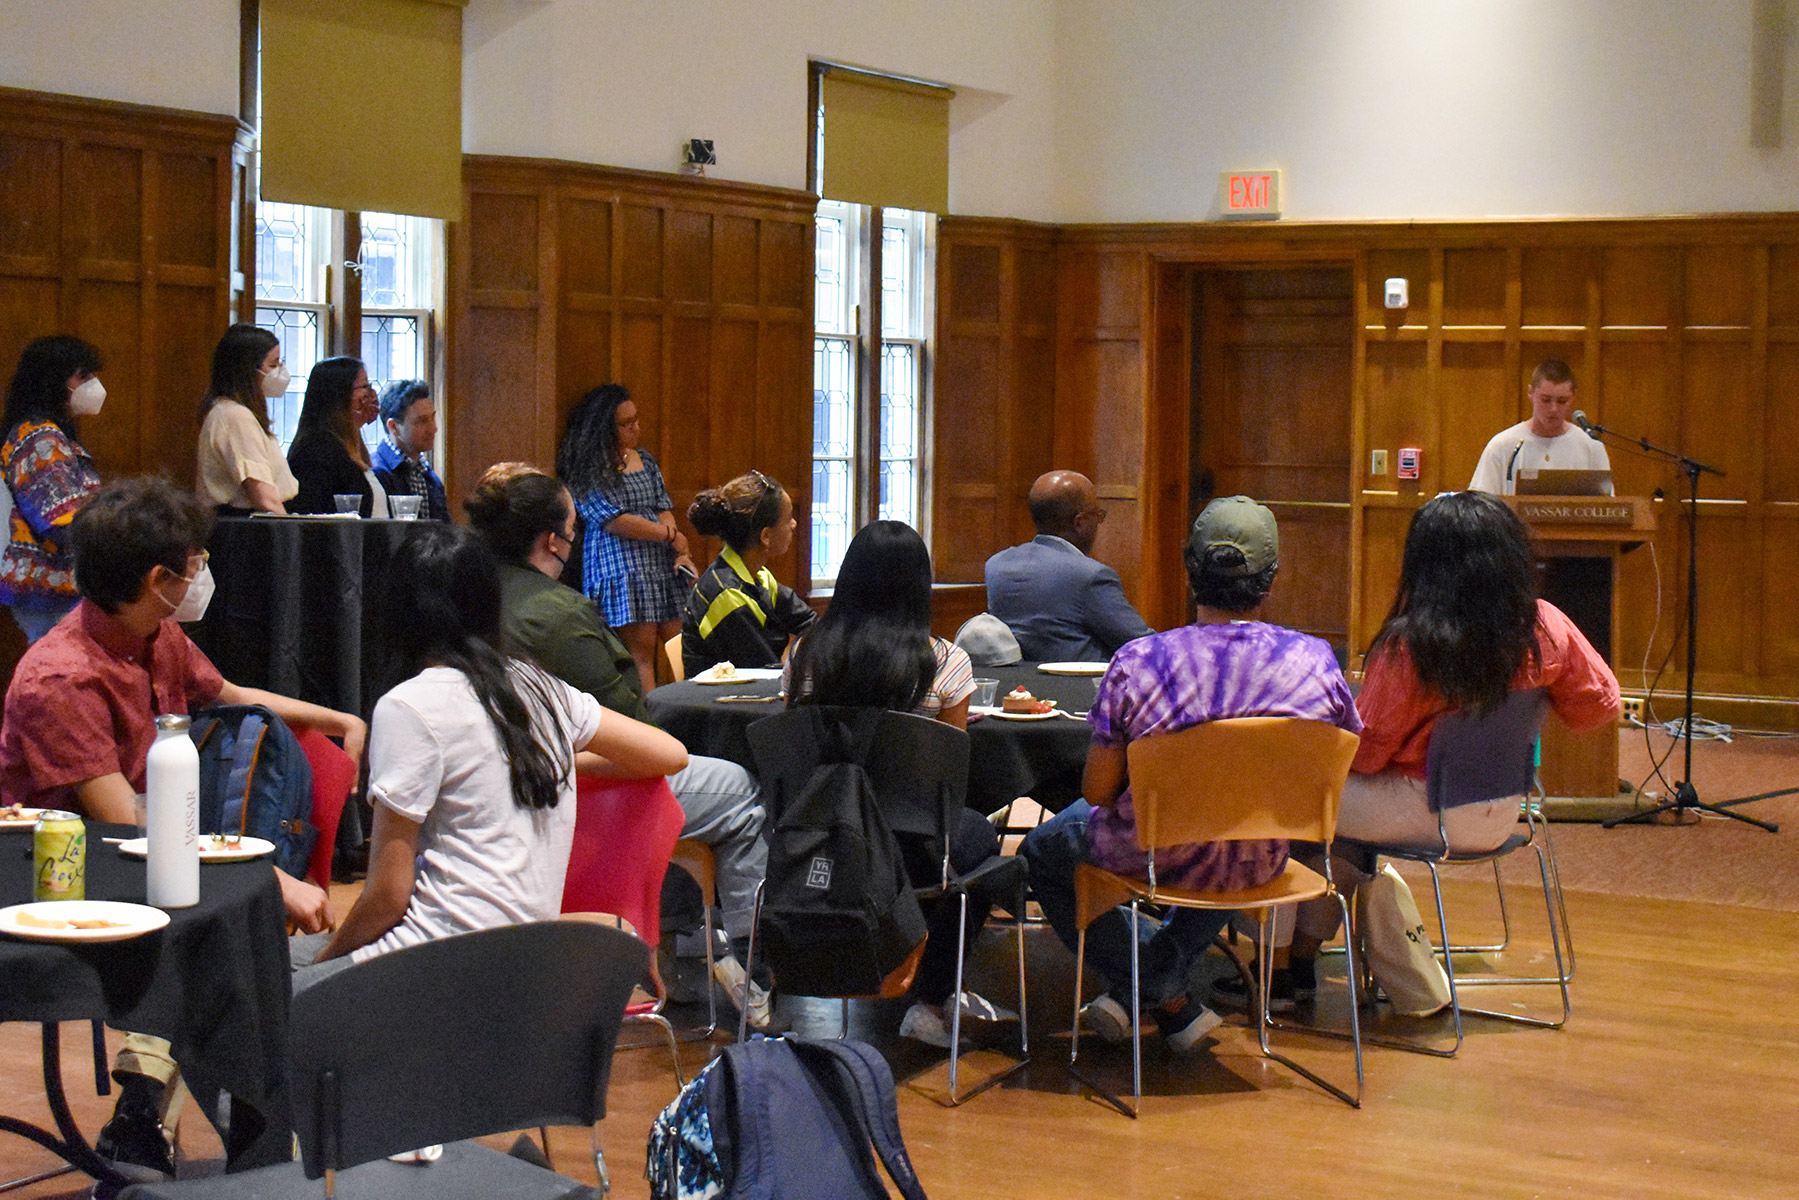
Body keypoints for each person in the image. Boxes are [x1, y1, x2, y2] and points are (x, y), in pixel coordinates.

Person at [0, 476, 366, 1173]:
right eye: (193, 566)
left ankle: (153, 1104)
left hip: (145, 853)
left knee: (213, 920)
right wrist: (270, 878)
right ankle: (226, 1130)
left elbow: (229, 696)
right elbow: (123, 821)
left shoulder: (154, 634)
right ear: (157, 578)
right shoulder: (62, 678)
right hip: (62, 876)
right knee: (214, 935)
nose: (201, 577)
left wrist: (337, 716)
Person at [1019, 496, 1360, 1053]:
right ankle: (1168, 993)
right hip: (1261, 856)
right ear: (1270, 581)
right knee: (1226, 835)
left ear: (1190, 572)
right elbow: (1341, 760)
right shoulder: (1318, 661)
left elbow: (1099, 792)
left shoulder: (1138, 661)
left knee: (1043, 850)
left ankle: (1150, 983)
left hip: (1157, 853)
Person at [299, 522, 688, 979]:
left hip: (434, 961)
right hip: (521, 956)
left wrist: (327, 962)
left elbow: (387, 896)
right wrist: (527, 760)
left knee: (271, 983)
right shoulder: (540, 686)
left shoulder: (409, 706)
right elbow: (669, 753)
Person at [465, 463, 775, 1027]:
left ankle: (682, 954)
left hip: (497, 792)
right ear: (550, 539)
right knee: (739, 790)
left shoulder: (464, 598)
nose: (578, 536)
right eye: (574, 525)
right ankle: (741, 961)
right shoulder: (559, 613)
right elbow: (632, 722)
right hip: (597, 787)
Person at [1288, 490, 1619, 998]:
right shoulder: (1547, 624)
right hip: (1504, 812)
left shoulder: (1412, 643)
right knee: (1343, 828)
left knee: (1290, 802)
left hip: (1425, 811)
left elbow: (1368, 755)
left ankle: (1288, 970)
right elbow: (1598, 707)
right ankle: (1313, 965)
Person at [784, 520, 1007, 1048]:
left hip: (822, 841)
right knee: (978, 845)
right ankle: (929, 998)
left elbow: (796, 748)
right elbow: (948, 783)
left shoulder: (803, 656)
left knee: (962, 844)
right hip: (912, 847)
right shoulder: (946, 663)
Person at [557, 384, 695, 692]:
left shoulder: (644, 458)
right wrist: (670, 535)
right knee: (641, 655)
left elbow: (662, 505)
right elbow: (613, 520)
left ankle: (688, 717)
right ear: (604, 428)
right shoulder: (587, 466)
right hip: (619, 562)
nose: (636, 428)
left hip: (661, 559)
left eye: (636, 420)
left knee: (682, 647)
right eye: (626, 424)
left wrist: (678, 549)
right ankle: (652, 729)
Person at [984, 469, 1152, 662]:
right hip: (1081, 688)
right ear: (1079, 523)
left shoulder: (996, 565)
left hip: (1019, 690)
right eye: (1097, 515)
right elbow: (1141, 645)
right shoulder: (1091, 576)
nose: (1098, 523)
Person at [0, 336, 105, 642]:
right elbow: (61, 519)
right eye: (84, 377)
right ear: (53, 381)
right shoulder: (40, 439)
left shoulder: (50, 432)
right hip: (51, 584)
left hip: (57, 584)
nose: (94, 386)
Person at [681, 469, 815, 676]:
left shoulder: (759, 577)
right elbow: (764, 671)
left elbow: (810, 623)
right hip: (718, 703)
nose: (794, 524)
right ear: (766, 536)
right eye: (788, 519)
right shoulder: (726, 595)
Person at [196, 323, 299, 515]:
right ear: (248, 370)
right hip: (247, 530)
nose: (280, 372)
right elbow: (264, 497)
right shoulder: (235, 416)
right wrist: (290, 536)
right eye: (273, 365)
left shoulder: (234, 412)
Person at [1468, 359, 1611, 495]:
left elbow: (1607, 509)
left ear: (1573, 397)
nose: (1553, 409)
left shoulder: (1591, 446)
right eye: (1546, 400)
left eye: (1562, 401)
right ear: (1530, 393)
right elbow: (1481, 506)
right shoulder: (1503, 445)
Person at [286, 357, 387, 516]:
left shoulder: (352, 445)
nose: (371, 394)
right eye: (365, 387)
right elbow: (311, 514)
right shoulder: (315, 449)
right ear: (340, 394)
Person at [373, 379, 447, 521]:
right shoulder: (377, 473)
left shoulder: (429, 477)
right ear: (394, 427)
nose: (433, 429)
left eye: (432, 418)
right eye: (421, 421)